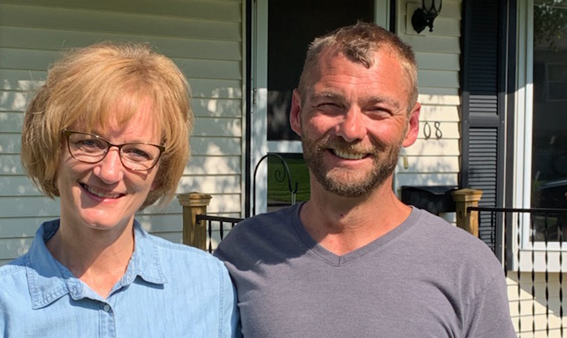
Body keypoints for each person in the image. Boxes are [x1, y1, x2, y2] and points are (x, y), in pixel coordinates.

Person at [214, 22, 516, 337]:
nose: (351, 130)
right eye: (330, 105)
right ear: (296, 112)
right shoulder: (242, 253)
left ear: (411, 125)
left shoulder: (466, 268)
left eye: (378, 110)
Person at [0, 42, 239, 337]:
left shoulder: (209, 286)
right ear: (51, 149)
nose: (109, 172)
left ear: (159, 170)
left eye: (137, 151)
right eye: (89, 142)